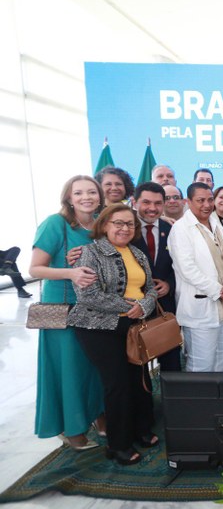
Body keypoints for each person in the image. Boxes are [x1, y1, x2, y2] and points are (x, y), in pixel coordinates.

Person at [69, 204, 158, 466]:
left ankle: (141, 429)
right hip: (98, 328)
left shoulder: (138, 254)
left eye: (129, 224)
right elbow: (88, 295)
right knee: (118, 384)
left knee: (139, 379)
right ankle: (118, 445)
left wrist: (145, 305)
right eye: (118, 223)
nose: (124, 228)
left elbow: (150, 288)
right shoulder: (90, 252)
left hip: (133, 326)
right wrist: (131, 306)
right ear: (105, 224)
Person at [28, 175, 105, 450]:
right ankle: (72, 430)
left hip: (95, 307)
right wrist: (70, 272)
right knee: (70, 370)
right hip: (63, 309)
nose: (87, 197)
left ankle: (97, 415)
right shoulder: (55, 224)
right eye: (79, 193)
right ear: (69, 198)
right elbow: (35, 269)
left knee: (93, 367)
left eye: (92, 192)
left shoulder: (99, 224)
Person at [168, 183, 223, 372]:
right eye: (200, 200)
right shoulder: (181, 229)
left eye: (209, 200)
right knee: (202, 363)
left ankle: (222, 401)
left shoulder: (215, 223)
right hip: (201, 305)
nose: (206, 205)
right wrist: (218, 290)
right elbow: (187, 269)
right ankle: (200, 402)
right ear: (188, 202)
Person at [132, 182, 180, 371]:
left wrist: (170, 283)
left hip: (165, 306)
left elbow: (181, 266)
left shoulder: (173, 229)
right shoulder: (125, 230)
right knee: (137, 360)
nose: (152, 208)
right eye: (146, 202)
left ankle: (173, 399)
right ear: (134, 202)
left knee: (172, 359)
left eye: (158, 203)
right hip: (134, 306)